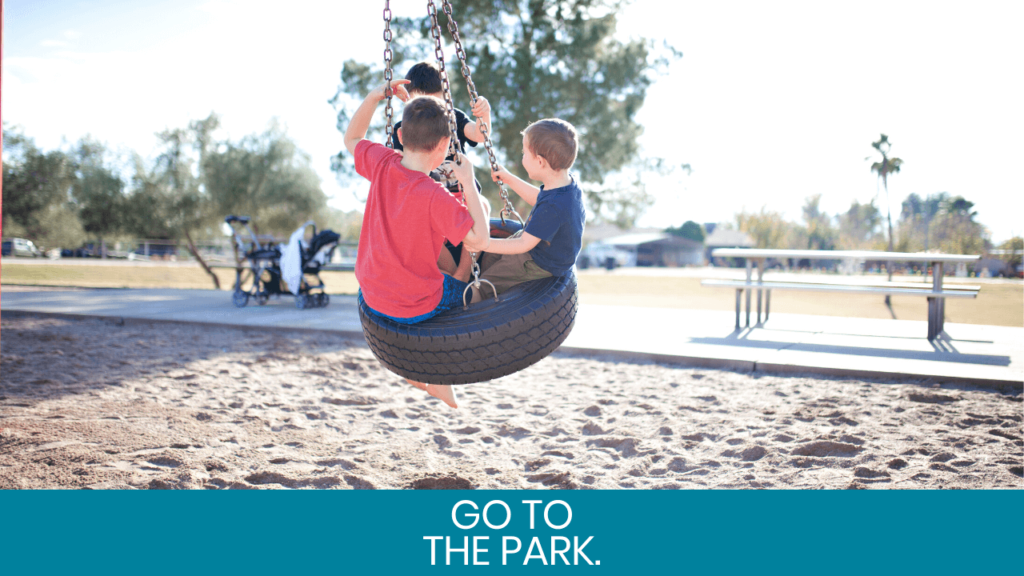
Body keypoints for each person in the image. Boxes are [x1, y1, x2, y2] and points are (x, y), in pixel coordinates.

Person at [344, 79, 490, 409]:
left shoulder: (381, 163)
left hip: (371, 297)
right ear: (443, 146)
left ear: (399, 137)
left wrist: (375, 96)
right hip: (417, 308)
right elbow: (479, 238)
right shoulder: (435, 197)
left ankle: (413, 370)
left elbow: (352, 138)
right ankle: (435, 377)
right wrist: (468, 183)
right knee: (464, 277)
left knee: (427, 247)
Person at [392, 61, 493, 281]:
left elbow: (479, 134)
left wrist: (484, 115)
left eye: (436, 102)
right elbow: (398, 171)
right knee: (419, 225)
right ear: (406, 100)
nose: (430, 111)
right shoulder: (404, 130)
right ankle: (448, 276)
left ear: (445, 97)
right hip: (429, 201)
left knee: (483, 205)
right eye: (420, 103)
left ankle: (462, 275)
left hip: (462, 196)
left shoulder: (452, 118)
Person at [470, 118, 584, 302]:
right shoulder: (564, 185)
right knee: (491, 254)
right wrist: (509, 179)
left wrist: (481, 243)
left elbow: (523, 244)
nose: (522, 156)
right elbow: (539, 199)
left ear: (539, 161)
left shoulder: (553, 206)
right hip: (539, 246)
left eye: (524, 153)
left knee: (484, 284)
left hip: (538, 261)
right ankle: (489, 275)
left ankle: (473, 306)